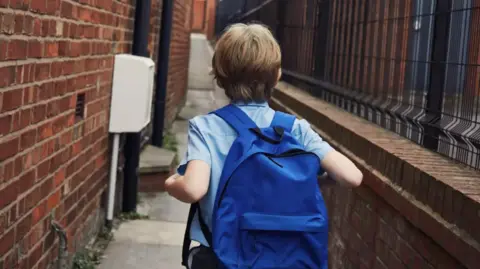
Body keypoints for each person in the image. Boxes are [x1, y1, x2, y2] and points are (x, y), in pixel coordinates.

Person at [165, 23, 363, 269]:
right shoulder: (296, 129)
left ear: (219, 73)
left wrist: (172, 183)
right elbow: (352, 177)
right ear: (277, 75)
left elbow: (194, 189)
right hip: (288, 259)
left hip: (223, 258)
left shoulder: (206, 127)